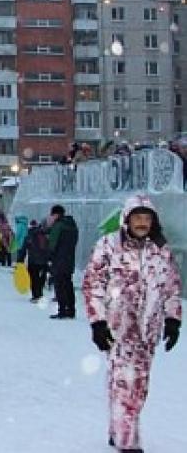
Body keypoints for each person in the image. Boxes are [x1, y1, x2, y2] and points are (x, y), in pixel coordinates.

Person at [82, 194, 182, 452]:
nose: (142, 223)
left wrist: (173, 320)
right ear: (126, 219)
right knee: (126, 383)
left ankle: (118, 430)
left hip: (148, 331)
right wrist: (98, 322)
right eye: (137, 217)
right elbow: (92, 285)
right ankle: (128, 441)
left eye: (146, 218)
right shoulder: (108, 246)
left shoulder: (160, 251)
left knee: (139, 387)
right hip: (118, 329)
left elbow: (171, 288)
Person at [47, 204, 79, 319]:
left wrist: (49, 256)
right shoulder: (72, 225)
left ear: (56, 214)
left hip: (59, 260)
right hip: (69, 259)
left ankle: (62, 310)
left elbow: (52, 244)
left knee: (59, 285)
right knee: (68, 284)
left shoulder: (58, 226)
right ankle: (71, 310)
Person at [17, 219, 49, 303]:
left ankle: (35, 296)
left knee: (33, 278)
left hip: (33, 261)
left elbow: (23, 250)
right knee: (41, 278)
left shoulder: (29, 236)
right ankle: (40, 294)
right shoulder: (44, 235)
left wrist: (20, 261)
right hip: (44, 261)